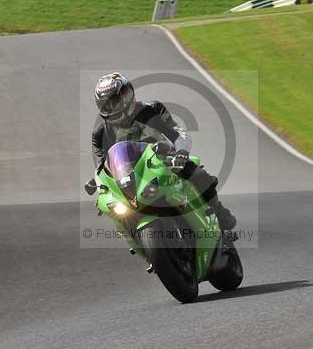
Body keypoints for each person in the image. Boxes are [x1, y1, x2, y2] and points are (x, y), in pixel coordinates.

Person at [90, 72, 237, 232]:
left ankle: (220, 214)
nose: (112, 107)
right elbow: (101, 168)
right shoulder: (100, 135)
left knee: (197, 174)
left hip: (164, 162)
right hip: (131, 178)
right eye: (107, 105)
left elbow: (178, 133)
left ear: (127, 96)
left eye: (115, 102)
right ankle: (136, 239)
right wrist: (99, 186)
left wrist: (181, 152)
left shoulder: (152, 109)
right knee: (114, 210)